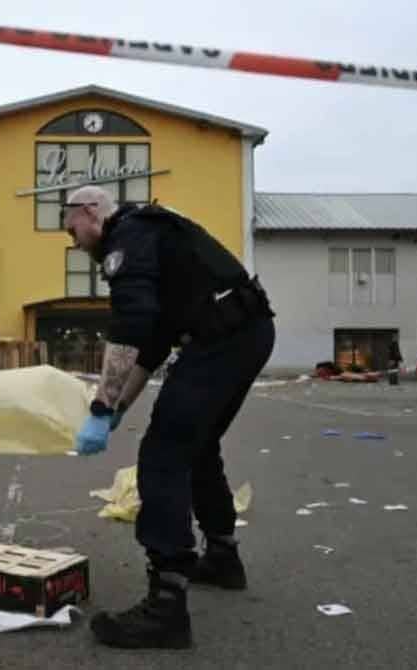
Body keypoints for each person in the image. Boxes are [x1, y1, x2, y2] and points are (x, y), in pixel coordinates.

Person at [64, 186, 275, 649]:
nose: (73, 240)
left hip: (224, 337)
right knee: (195, 448)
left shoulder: (128, 238)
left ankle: (166, 606)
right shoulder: (149, 234)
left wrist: (100, 406)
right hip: (243, 331)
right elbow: (154, 343)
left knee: (163, 455)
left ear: (89, 211)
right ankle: (221, 557)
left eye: (71, 227)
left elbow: (131, 327)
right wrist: (117, 409)